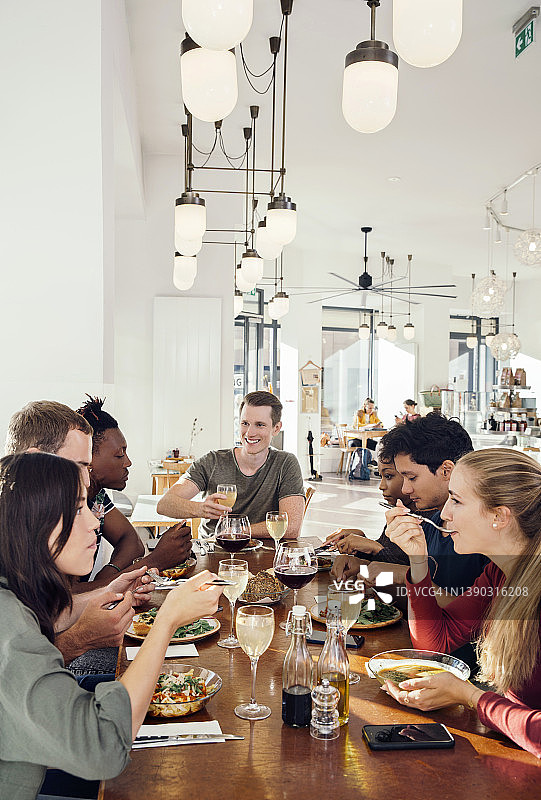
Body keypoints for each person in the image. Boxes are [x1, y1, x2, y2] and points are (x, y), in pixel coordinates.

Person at [0, 452, 222, 798]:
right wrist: (167, 620)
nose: (93, 523)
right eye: (77, 509)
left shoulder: (13, 594)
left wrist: (108, 591)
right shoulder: (9, 631)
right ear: (32, 521)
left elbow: (49, 614)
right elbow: (104, 747)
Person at [382, 448, 541, 759]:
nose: (444, 514)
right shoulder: (499, 572)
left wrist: (470, 696)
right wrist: (418, 560)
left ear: (499, 516)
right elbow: (436, 641)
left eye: (456, 500)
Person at [331, 414, 488, 598]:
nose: (405, 489)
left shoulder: (484, 536)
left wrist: (401, 574)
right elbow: (419, 601)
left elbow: (475, 614)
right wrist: (366, 569)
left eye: (412, 477)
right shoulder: (432, 526)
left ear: (446, 471)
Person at [75, 395, 193, 588]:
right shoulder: (60, 505)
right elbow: (66, 599)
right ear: (88, 458)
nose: (128, 462)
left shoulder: (97, 496)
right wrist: (155, 560)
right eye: (119, 454)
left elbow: (131, 540)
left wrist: (109, 573)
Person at [157, 391, 305, 539]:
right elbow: (164, 504)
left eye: (260, 425)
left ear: (276, 428)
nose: (249, 433)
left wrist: (237, 531)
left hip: (263, 554)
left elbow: (291, 527)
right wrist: (201, 509)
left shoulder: (285, 463)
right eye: (245, 423)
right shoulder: (213, 461)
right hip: (214, 550)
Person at [326, 451, 412, 574]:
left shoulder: (426, 520)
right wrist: (361, 543)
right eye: (380, 476)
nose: (381, 486)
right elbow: (389, 559)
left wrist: (375, 548)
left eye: (388, 476)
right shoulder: (400, 511)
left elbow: (407, 580)